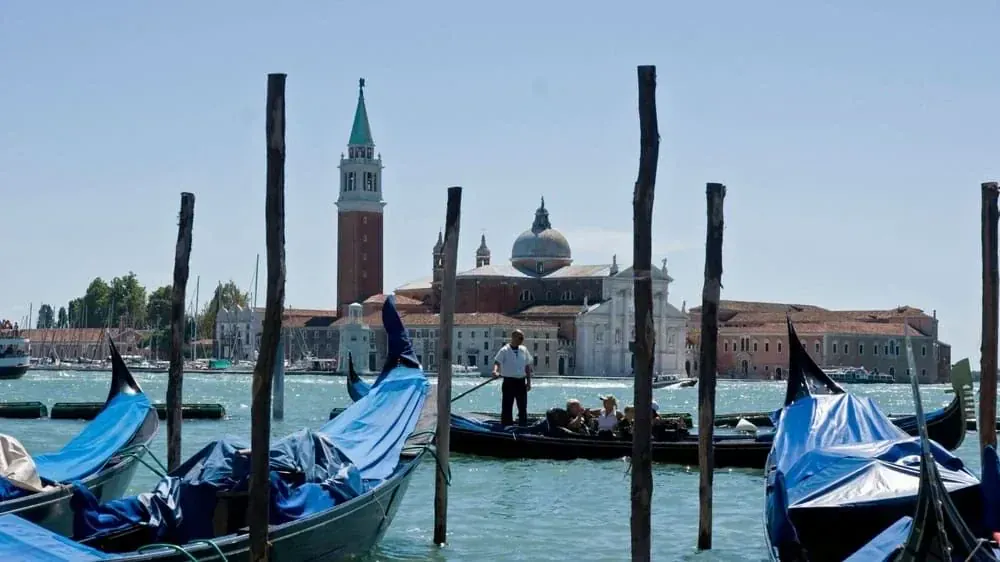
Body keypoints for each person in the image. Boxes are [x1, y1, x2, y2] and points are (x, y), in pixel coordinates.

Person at [492, 329, 532, 426]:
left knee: (522, 407)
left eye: (523, 338)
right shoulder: (504, 350)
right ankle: (506, 426)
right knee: (507, 406)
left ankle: (523, 426)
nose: (522, 340)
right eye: (520, 338)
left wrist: (529, 382)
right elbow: (497, 362)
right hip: (509, 382)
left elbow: (527, 366)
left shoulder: (524, 350)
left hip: (521, 382)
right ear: (513, 338)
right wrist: (495, 371)